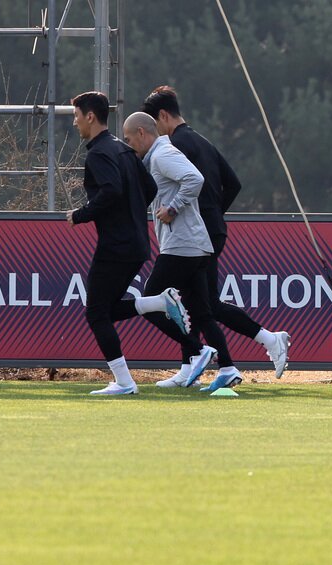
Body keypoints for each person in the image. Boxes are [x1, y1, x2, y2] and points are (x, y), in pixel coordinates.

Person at [142, 85, 292, 386]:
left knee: (197, 304)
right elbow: (233, 183)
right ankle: (203, 365)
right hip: (212, 229)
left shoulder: (172, 146)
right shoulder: (201, 141)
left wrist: (184, 211)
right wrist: (214, 215)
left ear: (161, 116)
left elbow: (189, 184)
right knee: (199, 304)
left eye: (151, 124)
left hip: (195, 235)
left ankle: (228, 355)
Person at [65, 91, 189, 396]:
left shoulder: (97, 154)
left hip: (116, 247)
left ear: (90, 117)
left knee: (95, 314)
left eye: (77, 116)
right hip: (136, 245)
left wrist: (79, 215)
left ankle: (124, 382)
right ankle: (160, 302)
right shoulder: (124, 150)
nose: (75, 122)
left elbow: (111, 192)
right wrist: (131, 215)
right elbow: (148, 189)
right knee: (107, 311)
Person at [122, 111, 242, 391]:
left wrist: (173, 207)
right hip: (195, 245)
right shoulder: (158, 156)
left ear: (142, 133)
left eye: (129, 139)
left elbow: (195, 179)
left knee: (151, 302)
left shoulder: (163, 154)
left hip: (182, 246)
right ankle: (227, 368)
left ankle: (197, 350)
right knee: (201, 312)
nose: (129, 146)